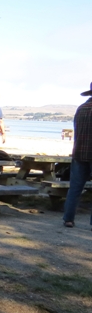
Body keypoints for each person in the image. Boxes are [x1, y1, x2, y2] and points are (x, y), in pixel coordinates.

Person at [62, 82, 92, 229]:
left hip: (79, 152)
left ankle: (68, 218)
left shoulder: (81, 109)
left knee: (75, 188)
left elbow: (77, 131)